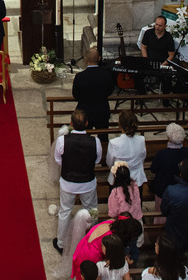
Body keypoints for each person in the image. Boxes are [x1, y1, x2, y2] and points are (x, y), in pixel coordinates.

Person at [53, 109, 102, 253]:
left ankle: (61, 243)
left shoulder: (63, 141)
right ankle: (94, 239)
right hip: (87, 182)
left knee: (65, 211)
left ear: (71, 124)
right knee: (92, 210)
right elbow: (97, 160)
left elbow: (58, 159)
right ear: (87, 123)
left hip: (68, 181)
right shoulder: (95, 141)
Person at [69, 215, 143, 277]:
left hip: (83, 247)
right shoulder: (112, 240)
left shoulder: (113, 223)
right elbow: (112, 260)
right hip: (90, 256)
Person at [71, 46, 116, 130]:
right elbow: (110, 91)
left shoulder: (80, 77)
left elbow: (76, 94)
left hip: (84, 113)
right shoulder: (107, 75)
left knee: (85, 139)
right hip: (102, 111)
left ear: (86, 59)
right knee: (103, 139)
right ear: (99, 58)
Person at [149, 123, 188, 203]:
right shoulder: (187, 152)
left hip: (163, 189)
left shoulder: (162, 154)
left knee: (161, 213)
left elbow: (153, 169)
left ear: (169, 138)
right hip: (181, 188)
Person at [105, 110, 147, 186]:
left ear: (120, 125)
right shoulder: (141, 140)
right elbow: (142, 157)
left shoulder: (114, 143)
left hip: (119, 178)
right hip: (137, 178)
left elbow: (110, 162)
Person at [137, 14, 177, 94]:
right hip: (149, 61)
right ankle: (142, 95)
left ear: (165, 26)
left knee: (167, 79)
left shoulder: (168, 38)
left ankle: (165, 99)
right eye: (156, 24)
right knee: (137, 76)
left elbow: (171, 55)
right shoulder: (148, 33)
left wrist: (163, 65)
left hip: (162, 63)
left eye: (160, 26)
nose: (157, 27)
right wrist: (146, 60)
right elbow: (144, 47)